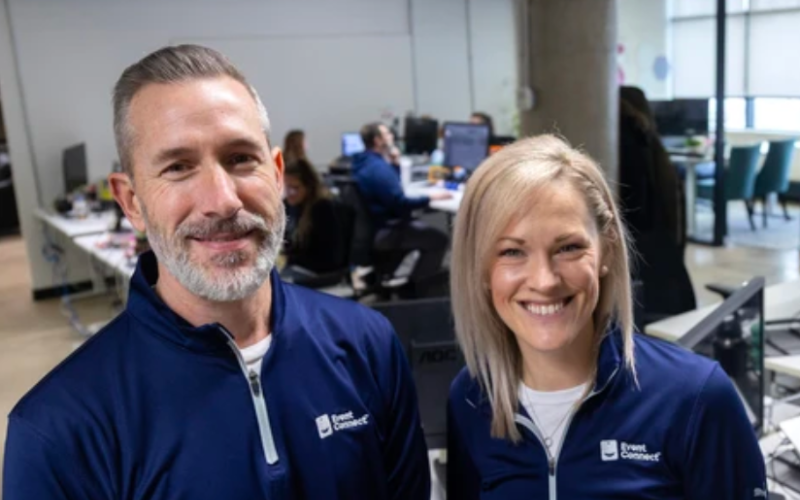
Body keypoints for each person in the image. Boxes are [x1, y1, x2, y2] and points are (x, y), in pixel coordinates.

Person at [3, 45, 430, 500]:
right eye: (178, 167)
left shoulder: (368, 344)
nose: (223, 200)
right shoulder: (57, 431)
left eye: (241, 158)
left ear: (277, 174)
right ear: (131, 201)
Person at [446, 135, 766, 499]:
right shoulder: (471, 399)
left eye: (568, 247)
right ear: (480, 268)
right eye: (512, 252)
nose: (544, 281)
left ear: (607, 250)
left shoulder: (696, 399)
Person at [352, 122, 451, 283]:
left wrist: (395, 165)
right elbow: (400, 202)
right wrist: (431, 197)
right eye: (388, 134)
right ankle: (419, 288)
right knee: (439, 240)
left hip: (375, 227)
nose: (392, 136)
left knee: (423, 230)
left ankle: (395, 278)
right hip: (387, 229)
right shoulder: (378, 168)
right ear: (378, 140)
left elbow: (391, 190)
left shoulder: (364, 162)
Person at [283, 158, 345, 274]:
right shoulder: (288, 205)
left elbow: (329, 257)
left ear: (308, 187)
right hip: (295, 267)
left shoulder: (321, 208)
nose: (290, 193)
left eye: (295, 188)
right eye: (286, 187)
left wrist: (290, 259)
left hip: (315, 270)